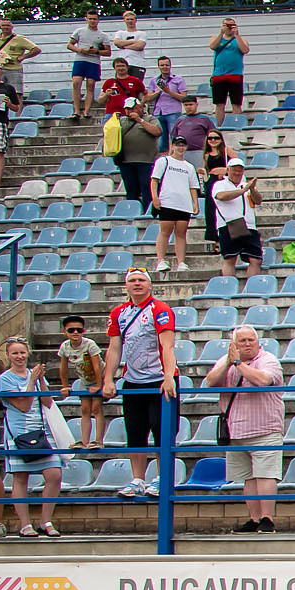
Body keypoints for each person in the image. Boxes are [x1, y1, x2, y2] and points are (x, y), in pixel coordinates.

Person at [200, 325, 285, 531]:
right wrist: (229, 362)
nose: (247, 344)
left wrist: (238, 364)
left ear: (258, 343)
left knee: (265, 474)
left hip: (264, 428)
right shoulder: (226, 361)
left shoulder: (268, 360)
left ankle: (267, 518)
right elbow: (209, 382)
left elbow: (262, 380)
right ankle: (254, 519)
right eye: (242, 341)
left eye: (251, 340)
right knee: (247, 476)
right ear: (234, 345)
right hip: (236, 429)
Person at [102, 269, 178, 500]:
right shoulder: (119, 312)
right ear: (126, 286)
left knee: (161, 428)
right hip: (133, 379)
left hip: (158, 378)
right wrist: (108, 378)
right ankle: (137, 478)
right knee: (135, 431)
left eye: (141, 280)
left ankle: (162, 477)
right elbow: (114, 348)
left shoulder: (160, 309)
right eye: (132, 281)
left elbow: (167, 345)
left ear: (150, 285)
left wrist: (168, 376)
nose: (137, 284)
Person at [0, 336, 63, 537]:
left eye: (22, 352)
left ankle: (46, 520)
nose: (19, 356)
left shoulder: (34, 375)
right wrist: (32, 380)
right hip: (18, 432)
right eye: (15, 353)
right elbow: (24, 405)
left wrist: (41, 381)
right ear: (9, 355)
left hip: (40, 429)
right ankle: (25, 524)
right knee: (20, 477)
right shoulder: (4, 379)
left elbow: (47, 401)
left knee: (54, 474)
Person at [146, 132, 200, 274]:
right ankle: (160, 260)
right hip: (167, 201)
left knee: (181, 232)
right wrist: (155, 197)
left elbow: (193, 187)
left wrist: (195, 203)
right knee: (165, 230)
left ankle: (181, 261)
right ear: (173, 146)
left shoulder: (189, 166)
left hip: (184, 203)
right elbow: (154, 180)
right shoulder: (164, 161)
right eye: (177, 145)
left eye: (183, 145)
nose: (180, 148)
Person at [55, 315, 104, 463]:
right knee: (84, 409)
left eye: (79, 330)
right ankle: (84, 441)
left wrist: (99, 385)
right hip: (84, 379)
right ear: (65, 332)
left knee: (96, 408)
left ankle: (98, 440)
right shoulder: (65, 346)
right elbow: (63, 368)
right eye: (71, 330)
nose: (75, 332)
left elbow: (97, 366)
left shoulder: (90, 344)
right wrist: (64, 386)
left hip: (100, 376)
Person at [204, 15, 250, 118]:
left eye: (231, 25)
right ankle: (219, 127)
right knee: (219, 104)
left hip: (235, 74)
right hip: (219, 75)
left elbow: (245, 50)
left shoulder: (241, 40)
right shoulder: (216, 38)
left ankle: (236, 123)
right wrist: (221, 32)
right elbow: (213, 46)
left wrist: (236, 34)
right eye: (226, 25)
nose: (229, 27)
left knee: (236, 103)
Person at [66, 9, 107, 119]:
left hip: (93, 62)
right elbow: (69, 45)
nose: (92, 21)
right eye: (90, 19)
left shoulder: (102, 35)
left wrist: (97, 51)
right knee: (76, 83)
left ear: (98, 20)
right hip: (80, 59)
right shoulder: (79, 31)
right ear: (86, 19)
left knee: (90, 85)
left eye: (94, 19)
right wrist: (79, 50)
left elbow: (108, 52)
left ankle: (86, 111)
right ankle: (76, 110)